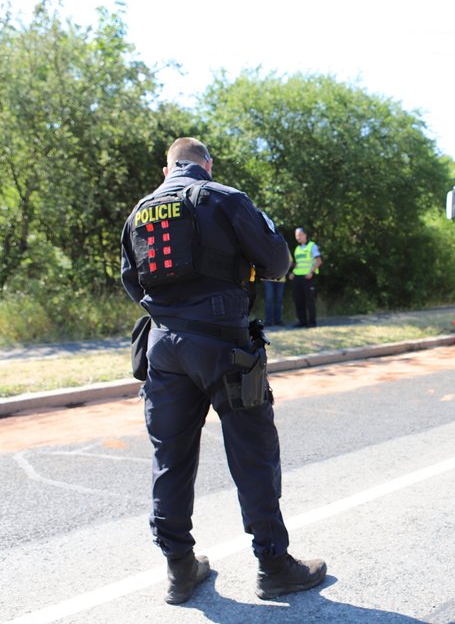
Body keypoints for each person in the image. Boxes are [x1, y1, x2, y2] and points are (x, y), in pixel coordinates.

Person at [121, 137, 326, 604]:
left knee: (169, 458)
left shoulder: (139, 212)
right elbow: (278, 263)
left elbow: (131, 280)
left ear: (167, 167)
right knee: (252, 450)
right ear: (207, 164)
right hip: (222, 342)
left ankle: (179, 569)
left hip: (162, 348)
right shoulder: (226, 198)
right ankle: (274, 565)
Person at [288, 227, 322, 328]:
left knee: (309, 300)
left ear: (305, 235)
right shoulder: (297, 249)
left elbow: (319, 261)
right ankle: (302, 321)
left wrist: (311, 272)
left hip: (308, 277)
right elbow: (298, 264)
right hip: (297, 277)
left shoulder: (312, 246)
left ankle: (312, 323)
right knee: (298, 300)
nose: (297, 237)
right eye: (296, 236)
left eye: (299, 235)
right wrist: (292, 273)